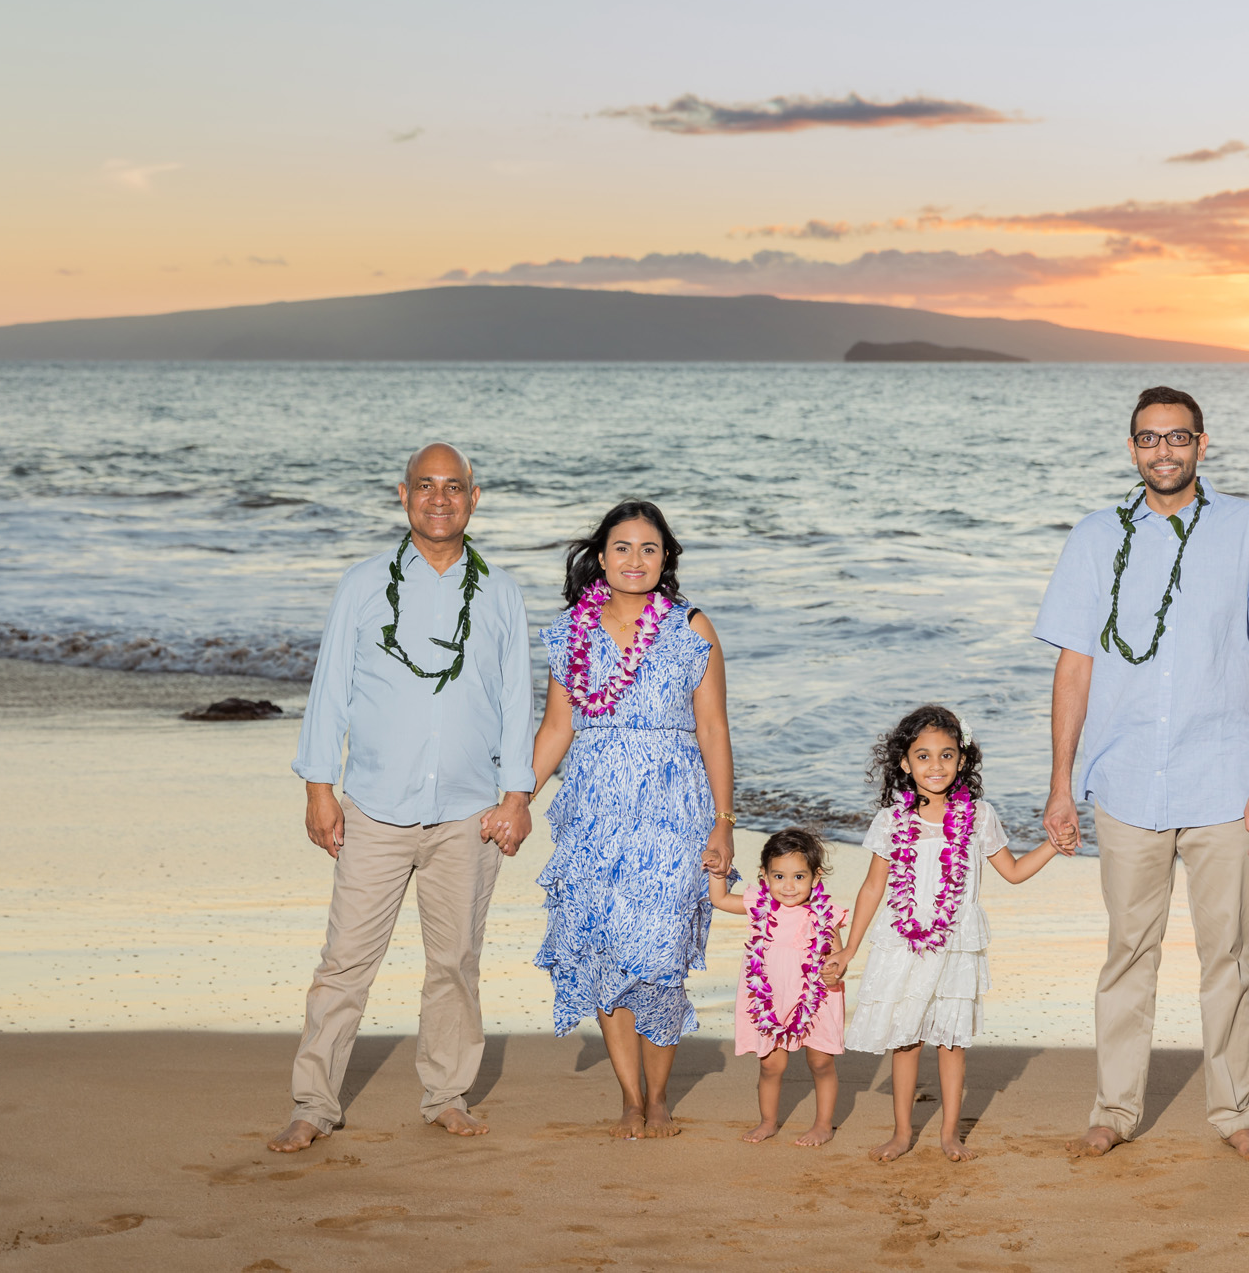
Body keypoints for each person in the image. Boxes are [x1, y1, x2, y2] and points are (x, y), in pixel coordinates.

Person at [1034, 385, 1249, 1164]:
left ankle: (1234, 1110)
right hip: (1125, 781)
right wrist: (1062, 781)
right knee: (1128, 950)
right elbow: (1074, 666)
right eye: (1149, 439)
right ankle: (1116, 1107)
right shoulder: (1094, 539)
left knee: (1227, 955)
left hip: (1226, 780)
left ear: (1202, 443)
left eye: (1179, 437)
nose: (1164, 451)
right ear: (1132, 449)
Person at [268, 443, 536, 1153]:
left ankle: (445, 1092)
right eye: (426, 485)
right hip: (374, 809)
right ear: (403, 494)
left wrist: (517, 797)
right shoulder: (362, 586)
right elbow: (329, 694)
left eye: (454, 487)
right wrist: (318, 789)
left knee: (455, 962)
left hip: (470, 813)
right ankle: (313, 1102)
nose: (439, 498)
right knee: (345, 962)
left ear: (474, 499)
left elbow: (516, 702)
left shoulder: (502, 592)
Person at [526, 500, 737, 1140]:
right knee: (602, 949)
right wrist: (516, 799)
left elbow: (713, 728)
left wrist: (724, 822)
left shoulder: (691, 629)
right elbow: (558, 728)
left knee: (660, 951)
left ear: (666, 557)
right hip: (592, 811)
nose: (635, 560)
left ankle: (661, 1098)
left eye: (649, 549)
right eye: (622, 547)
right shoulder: (572, 632)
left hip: (675, 810)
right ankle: (628, 1098)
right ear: (600, 554)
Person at [826, 705, 1059, 1162]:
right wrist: (851, 947)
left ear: (963, 760)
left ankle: (949, 1133)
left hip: (956, 943)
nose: (936, 766)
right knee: (906, 1038)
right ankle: (900, 1133)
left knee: (951, 1041)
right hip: (904, 941)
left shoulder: (979, 816)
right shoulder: (892, 820)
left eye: (947, 755)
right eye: (924, 756)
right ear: (904, 763)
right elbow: (874, 885)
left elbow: (1011, 871)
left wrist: (1053, 845)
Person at [709, 828, 846, 1146]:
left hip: (817, 997)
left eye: (799, 876)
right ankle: (768, 1121)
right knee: (772, 1064)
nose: (788, 886)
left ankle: (823, 1124)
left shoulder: (824, 914)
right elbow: (719, 899)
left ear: (816, 876)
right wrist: (719, 872)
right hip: (769, 998)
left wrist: (834, 973)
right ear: (764, 875)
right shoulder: (758, 904)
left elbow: (837, 956)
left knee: (821, 1061)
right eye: (779, 876)